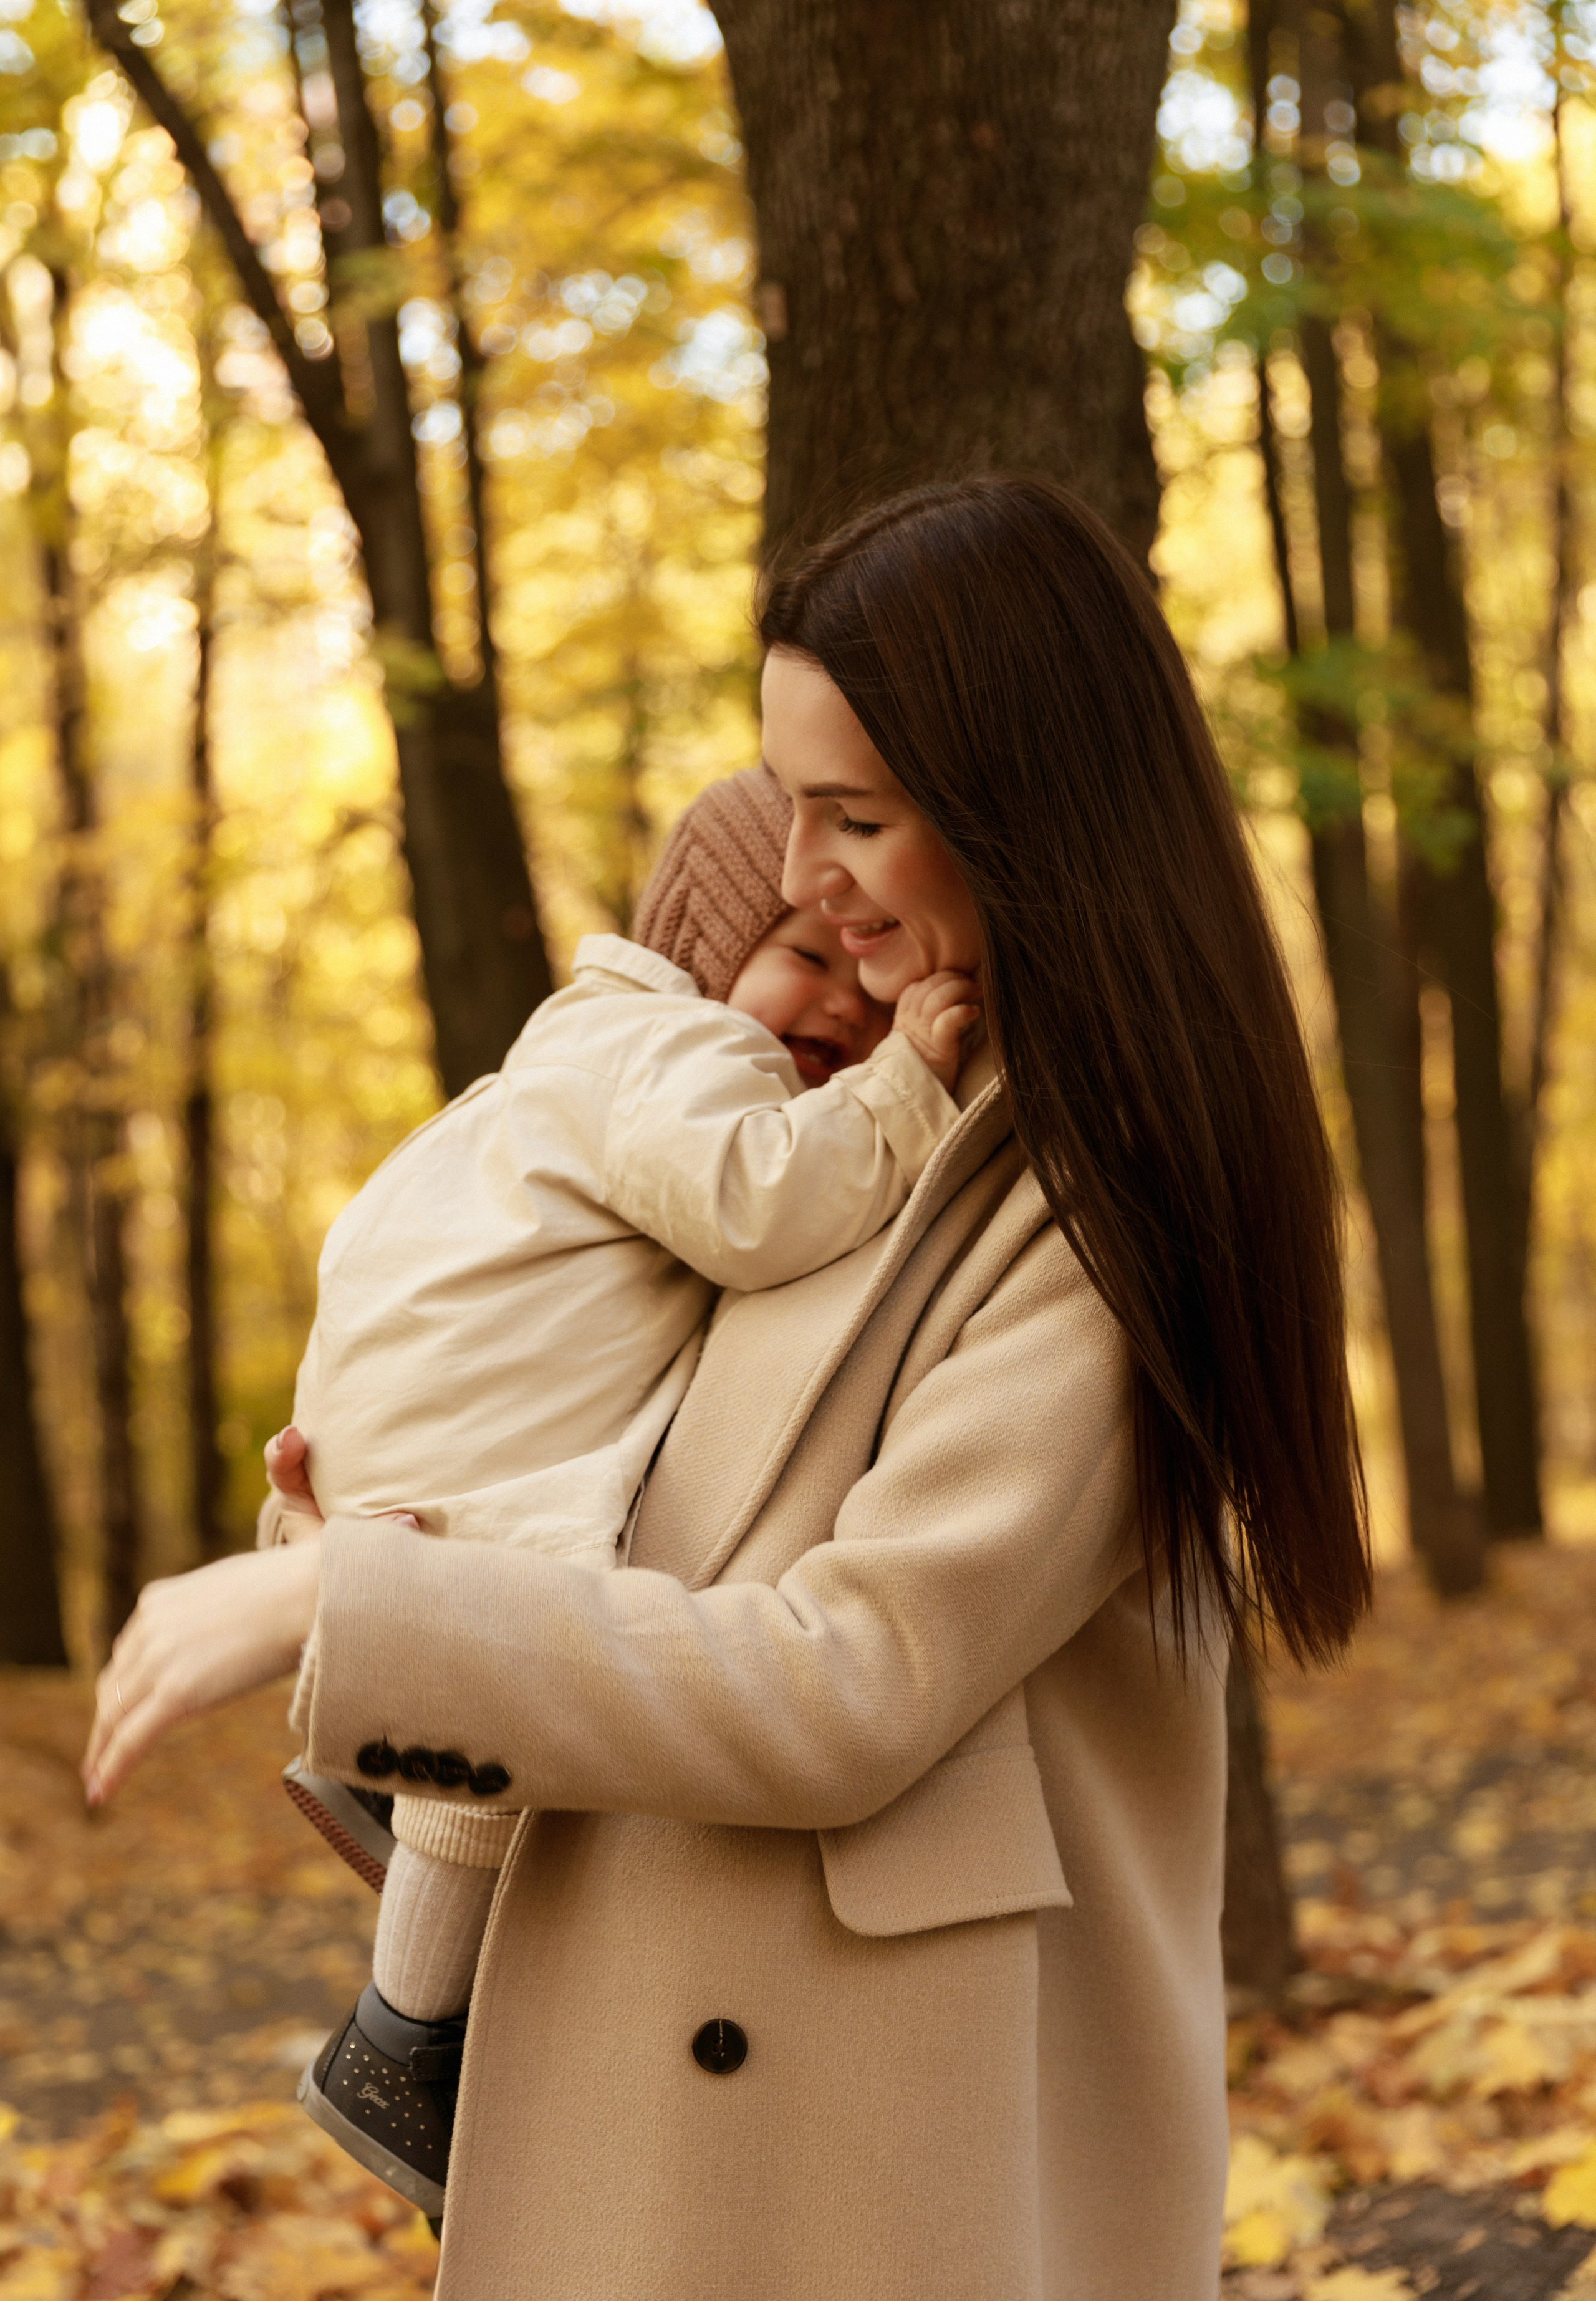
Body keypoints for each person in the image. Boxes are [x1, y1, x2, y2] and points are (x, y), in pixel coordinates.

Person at [85, 474, 1370, 2301]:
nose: (801, 878)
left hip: (873, 2152)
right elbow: (657, 1511)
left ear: (1029, 812)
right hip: (656, 2057)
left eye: (856, 815)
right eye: (792, 812)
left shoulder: (1100, 1213)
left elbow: (852, 1675)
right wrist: (382, 1509)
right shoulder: (848, 1115)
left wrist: (346, 1600)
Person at [255, 763, 981, 2213]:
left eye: (858, 966)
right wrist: (905, 1085)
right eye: (797, 957)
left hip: (420, 1421)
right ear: (703, 957)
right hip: (466, 1448)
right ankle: (397, 2045)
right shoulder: (671, 1058)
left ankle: (383, 1792)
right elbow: (766, 1205)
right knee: (507, 1691)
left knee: (496, 1679)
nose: (838, 1001)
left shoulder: (581, 1062)